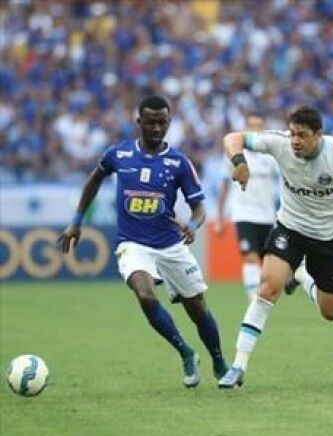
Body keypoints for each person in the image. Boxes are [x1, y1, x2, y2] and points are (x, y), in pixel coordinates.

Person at [58, 95, 228, 387]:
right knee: (146, 295)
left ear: (169, 123)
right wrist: (76, 222)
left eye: (163, 122)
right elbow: (94, 180)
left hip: (171, 245)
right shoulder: (119, 155)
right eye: (151, 122)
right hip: (133, 244)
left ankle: (219, 362)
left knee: (197, 308)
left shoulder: (179, 162)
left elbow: (199, 207)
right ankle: (185, 352)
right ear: (139, 122)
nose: (157, 128)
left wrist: (194, 225)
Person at [217, 106, 333, 389]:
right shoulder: (279, 142)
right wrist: (240, 162)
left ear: (318, 135)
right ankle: (238, 366)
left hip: (329, 239)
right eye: (292, 133)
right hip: (289, 229)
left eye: (302, 136)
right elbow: (232, 138)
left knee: (331, 313)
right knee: (267, 288)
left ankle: (302, 276)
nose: (295, 141)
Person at [214, 114, 278, 301]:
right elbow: (225, 186)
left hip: (267, 215)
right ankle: (253, 300)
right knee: (250, 258)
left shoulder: (270, 155)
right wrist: (219, 217)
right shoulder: (234, 153)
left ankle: (267, 292)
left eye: (259, 126)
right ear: (245, 128)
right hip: (244, 213)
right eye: (252, 126)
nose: (255, 130)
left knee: (269, 263)